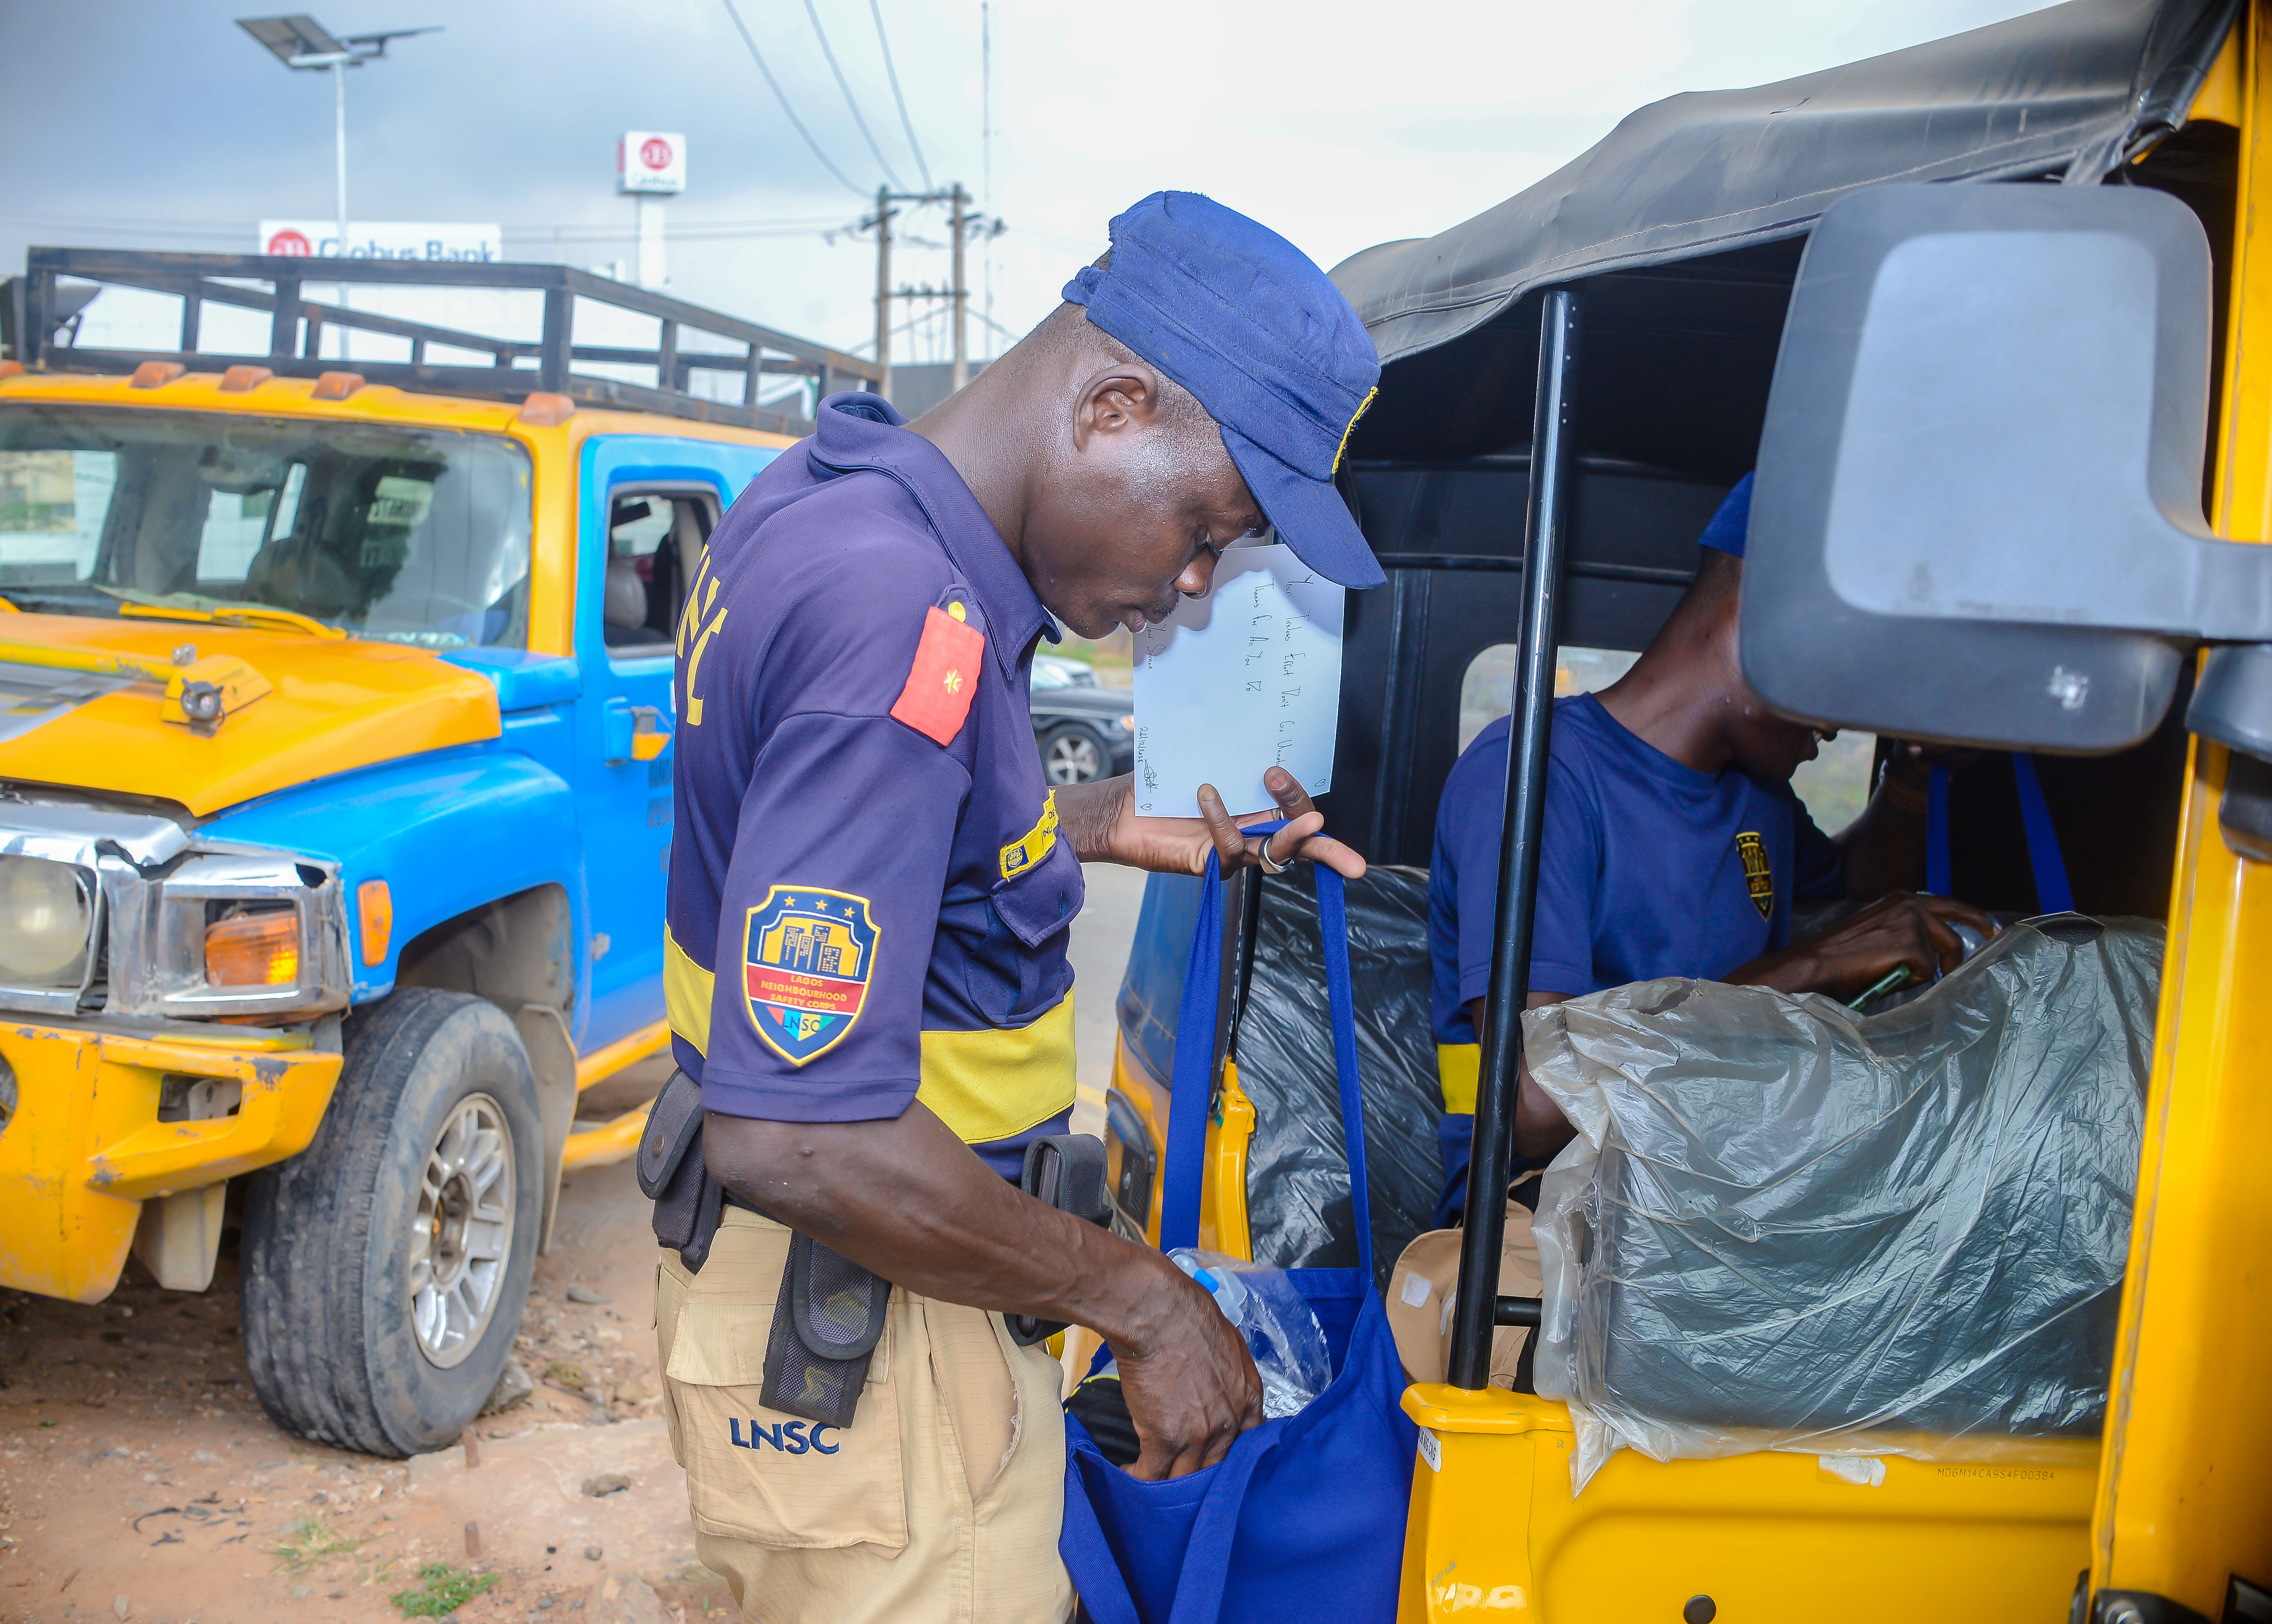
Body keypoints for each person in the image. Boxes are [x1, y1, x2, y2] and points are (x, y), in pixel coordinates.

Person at [656, 192, 1382, 1624]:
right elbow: (796, 1125)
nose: (1184, 592)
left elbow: (833, 842)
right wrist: (1142, 1299)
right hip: (864, 1314)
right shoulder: (897, 615)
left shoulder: (822, 495)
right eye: (1202, 530)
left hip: (860, 1299)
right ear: (1113, 405)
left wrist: (1082, 825)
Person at [1427, 472, 1995, 1214]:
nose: (1839, 722)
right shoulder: (1536, 777)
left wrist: (1917, 774)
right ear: (1760, 611)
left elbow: (1857, 886)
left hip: (1715, 1211)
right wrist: (1810, 967)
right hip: (1549, 1238)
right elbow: (1533, 1107)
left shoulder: (1753, 792)